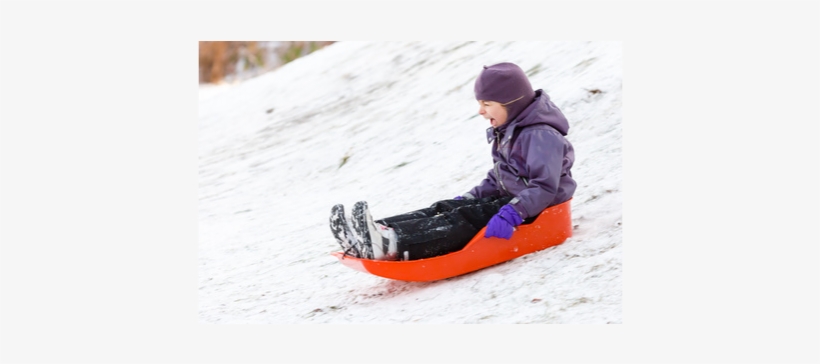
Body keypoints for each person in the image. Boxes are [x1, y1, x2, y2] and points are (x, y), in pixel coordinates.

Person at [329, 62, 576, 261]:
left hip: (536, 209)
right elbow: (501, 175)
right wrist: (472, 196)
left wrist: (513, 212)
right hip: (513, 201)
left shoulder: (540, 135)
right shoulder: (511, 130)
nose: (480, 111)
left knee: (462, 221)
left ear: (511, 103)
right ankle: (375, 231)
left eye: (487, 104)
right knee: (445, 208)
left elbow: (544, 187)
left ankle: (394, 244)